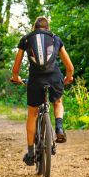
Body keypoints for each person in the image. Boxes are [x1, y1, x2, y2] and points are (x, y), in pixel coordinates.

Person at [9, 16, 75, 166]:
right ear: (48, 28)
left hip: (35, 80)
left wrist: (16, 77)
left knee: (32, 112)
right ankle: (59, 127)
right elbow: (69, 67)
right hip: (54, 77)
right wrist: (68, 77)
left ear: (34, 28)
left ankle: (31, 153)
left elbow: (16, 66)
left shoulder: (26, 39)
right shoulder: (55, 38)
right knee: (57, 102)